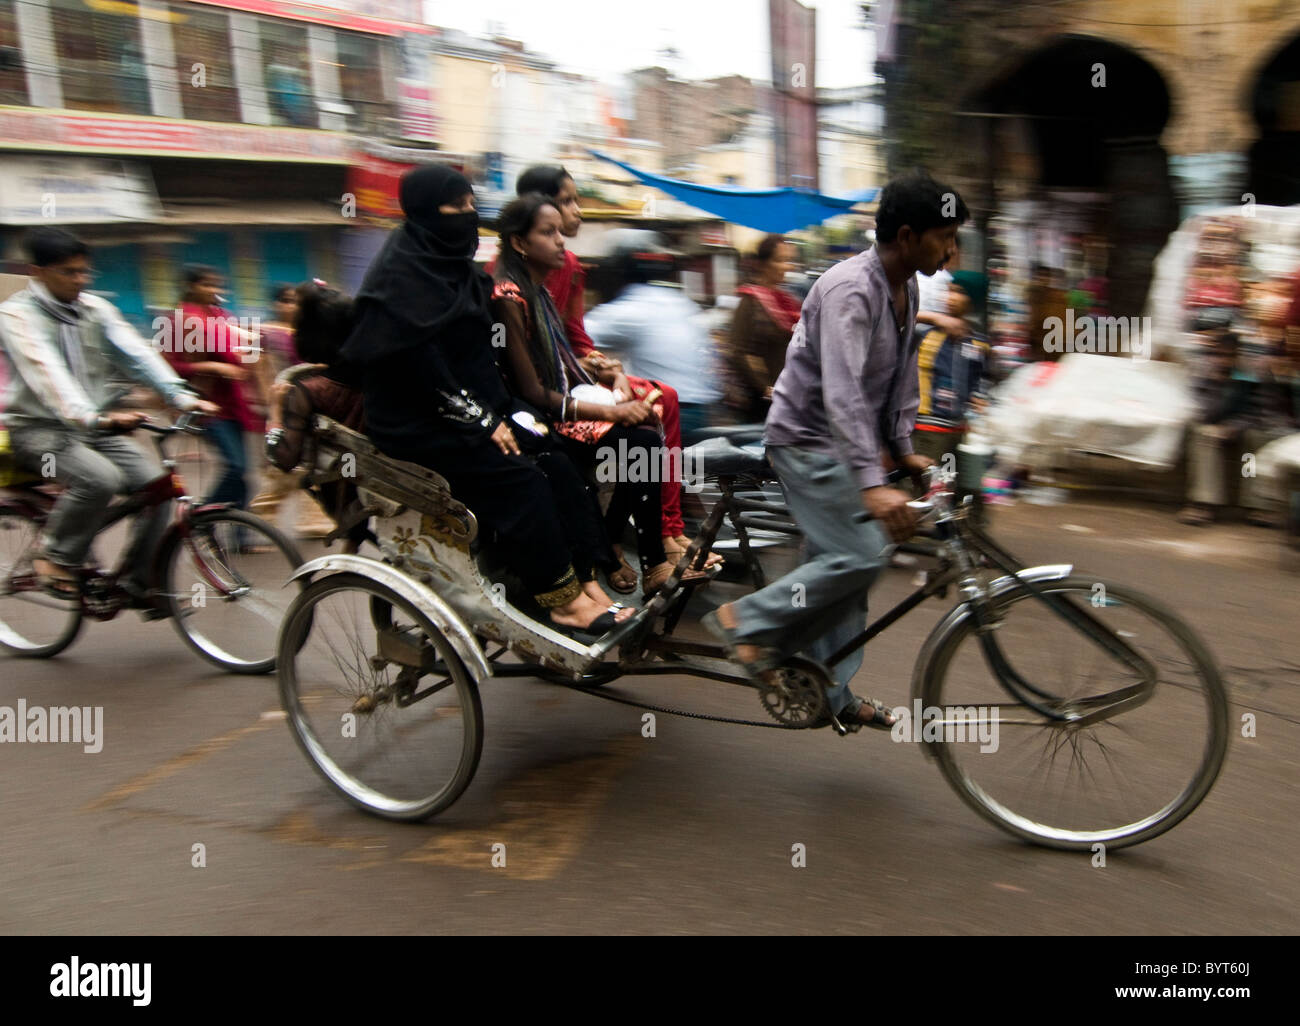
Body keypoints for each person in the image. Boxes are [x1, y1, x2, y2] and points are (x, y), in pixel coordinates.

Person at [703, 172, 967, 730]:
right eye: (945, 235)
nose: (952, 249)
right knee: (864, 554)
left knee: (846, 569)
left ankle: (827, 688)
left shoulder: (907, 286)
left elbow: (897, 383)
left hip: (846, 445)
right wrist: (873, 483)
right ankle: (744, 623)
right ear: (905, 234)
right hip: (806, 441)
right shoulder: (851, 288)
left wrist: (901, 449)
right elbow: (843, 389)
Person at [340, 164, 632, 636]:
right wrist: (481, 421)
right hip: (418, 423)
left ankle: (585, 582)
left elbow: (479, 359)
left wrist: (511, 412)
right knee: (522, 481)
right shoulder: (399, 279)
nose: (469, 216)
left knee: (555, 461)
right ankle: (560, 601)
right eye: (457, 208)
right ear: (422, 213)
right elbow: (419, 367)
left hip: (474, 411)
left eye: (473, 206)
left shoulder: (457, 271)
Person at [492, 192, 708, 601]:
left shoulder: (538, 293)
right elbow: (532, 391)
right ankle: (627, 553)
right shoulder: (509, 297)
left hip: (557, 405)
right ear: (519, 242)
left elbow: (566, 362)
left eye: (560, 231)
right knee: (639, 433)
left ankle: (652, 559)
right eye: (548, 232)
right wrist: (611, 409)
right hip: (532, 419)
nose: (561, 240)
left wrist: (612, 380)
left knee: (646, 431)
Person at [0, 228, 217, 598]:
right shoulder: (16, 316)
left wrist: (181, 396)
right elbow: (46, 373)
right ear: (37, 272)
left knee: (158, 487)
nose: (81, 280)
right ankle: (54, 555)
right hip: (38, 431)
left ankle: (140, 582)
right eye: (69, 272)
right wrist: (93, 417)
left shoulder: (95, 309)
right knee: (99, 479)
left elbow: (137, 354)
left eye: (85, 271)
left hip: (95, 426)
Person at [163, 265, 264, 512]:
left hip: (234, 403)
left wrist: (250, 355)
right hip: (207, 405)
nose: (214, 290)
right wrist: (215, 367)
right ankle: (200, 518)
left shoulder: (221, 315)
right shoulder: (177, 319)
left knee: (242, 473)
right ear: (191, 286)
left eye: (217, 285)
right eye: (207, 284)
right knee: (236, 467)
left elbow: (248, 351)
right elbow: (170, 366)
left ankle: (241, 537)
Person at [247, 282, 336, 538]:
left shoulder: (307, 331)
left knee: (314, 464)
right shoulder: (263, 333)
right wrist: (271, 403)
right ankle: (262, 517)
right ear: (275, 304)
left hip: (310, 406)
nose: (291, 306)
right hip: (283, 405)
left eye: (295, 301)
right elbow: (258, 368)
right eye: (286, 300)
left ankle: (314, 518)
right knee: (283, 469)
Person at [911, 273, 995, 466]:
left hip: (960, 432)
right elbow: (897, 317)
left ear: (973, 301)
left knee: (951, 487)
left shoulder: (980, 343)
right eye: (949, 291)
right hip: (927, 428)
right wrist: (935, 318)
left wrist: (979, 398)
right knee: (924, 486)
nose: (951, 297)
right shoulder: (925, 335)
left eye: (959, 293)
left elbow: (983, 380)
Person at [725, 234, 802, 422]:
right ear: (762, 264)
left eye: (789, 261)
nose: (787, 267)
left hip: (789, 398)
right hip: (761, 404)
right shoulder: (750, 301)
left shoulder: (787, 301)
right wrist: (766, 389)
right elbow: (738, 351)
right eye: (780, 260)